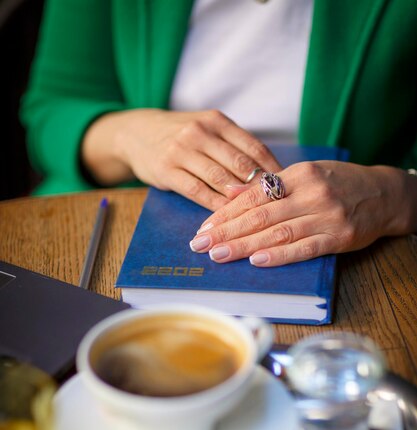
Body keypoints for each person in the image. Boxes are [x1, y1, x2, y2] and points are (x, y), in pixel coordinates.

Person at [21, 0, 417, 268]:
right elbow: (49, 113)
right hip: (102, 224)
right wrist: (129, 134)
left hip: (362, 239)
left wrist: (397, 196)